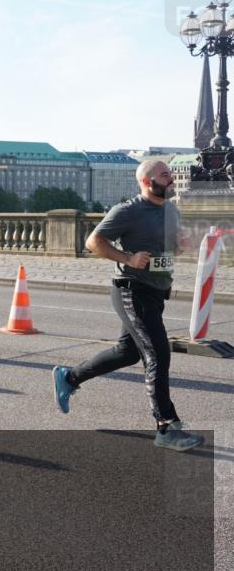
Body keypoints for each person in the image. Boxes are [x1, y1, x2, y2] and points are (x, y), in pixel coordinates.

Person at [53, 160, 204, 452]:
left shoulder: (172, 210)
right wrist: (128, 258)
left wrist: (182, 244)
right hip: (132, 291)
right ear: (147, 182)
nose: (171, 179)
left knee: (127, 352)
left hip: (156, 293)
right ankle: (166, 426)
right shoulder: (128, 211)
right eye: (165, 175)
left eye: (171, 174)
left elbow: (170, 248)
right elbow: (93, 242)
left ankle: (69, 377)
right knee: (157, 353)